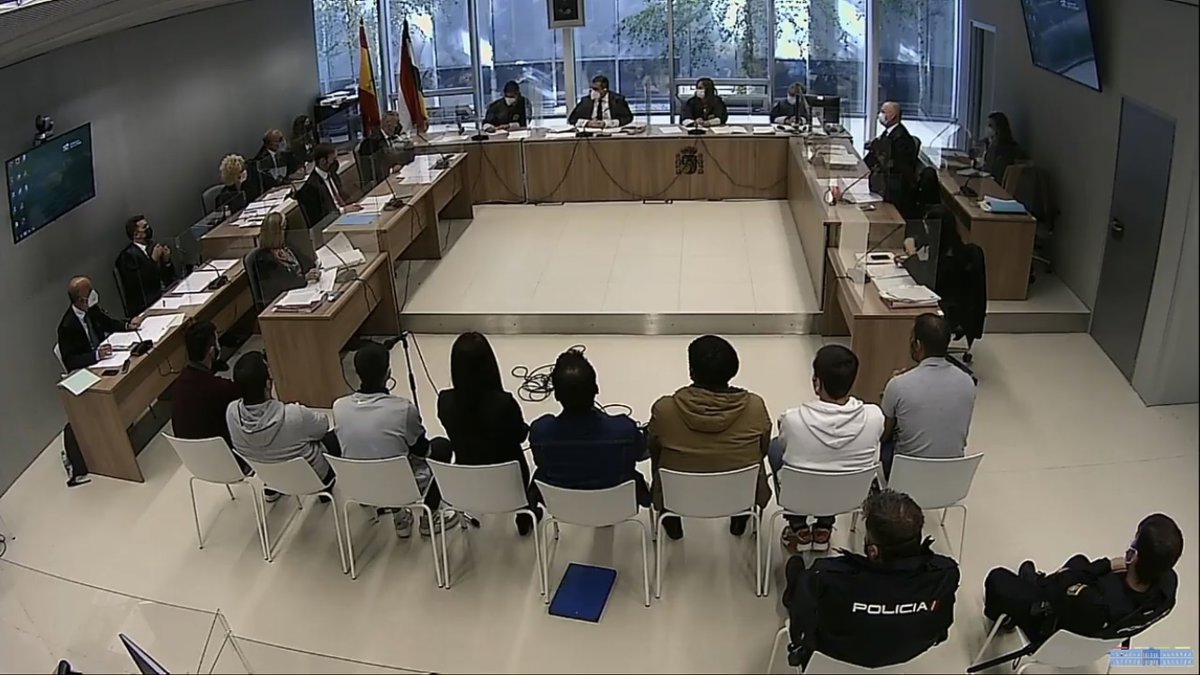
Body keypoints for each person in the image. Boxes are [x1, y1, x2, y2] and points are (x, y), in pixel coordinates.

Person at [783, 489, 959, 669]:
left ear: (873, 551)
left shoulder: (827, 576)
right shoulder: (945, 573)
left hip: (832, 656)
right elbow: (942, 625)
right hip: (908, 653)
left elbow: (800, 626)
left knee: (797, 569)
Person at [983, 514, 1181, 649]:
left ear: (1133, 556)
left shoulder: (1094, 601)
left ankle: (1007, 618)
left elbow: (1061, 586)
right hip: (1103, 635)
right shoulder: (1168, 589)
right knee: (1079, 561)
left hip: (1055, 633)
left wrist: (1107, 564)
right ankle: (1035, 584)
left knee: (998, 579)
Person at [648, 335, 771, 540]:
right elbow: (763, 448)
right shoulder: (755, 407)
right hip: (739, 493)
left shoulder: (665, 409)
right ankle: (740, 518)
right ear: (734, 369)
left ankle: (671, 521)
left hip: (678, 495)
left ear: (691, 371)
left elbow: (653, 448)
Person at [333, 343, 457, 537]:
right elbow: (423, 451)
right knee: (441, 446)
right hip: (401, 487)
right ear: (388, 373)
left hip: (359, 487)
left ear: (357, 373)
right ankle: (429, 517)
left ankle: (400, 518)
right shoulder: (402, 409)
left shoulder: (339, 407)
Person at [768, 345, 883, 553]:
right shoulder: (875, 416)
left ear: (817, 383)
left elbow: (786, 448)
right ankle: (824, 527)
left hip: (800, 496)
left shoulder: (793, 419)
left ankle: (798, 528)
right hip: (849, 497)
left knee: (775, 447)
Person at [434, 332, 535, 534]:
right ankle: (524, 515)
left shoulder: (445, 401)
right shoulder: (504, 403)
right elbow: (520, 435)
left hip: (468, 477)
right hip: (509, 481)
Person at [528, 349, 651, 507]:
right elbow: (642, 454)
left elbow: (540, 462)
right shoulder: (624, 429)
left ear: (556, 395)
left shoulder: (540, 432)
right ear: (596, 389)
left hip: (564, 507)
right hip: (616, 506)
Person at [880, 314, 977, 478]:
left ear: (917, 345)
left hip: (907, 476)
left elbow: (884, 434)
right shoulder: (967, 381)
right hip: (952, 476)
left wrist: (887, 395)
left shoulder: (898, 384)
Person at [226, 351, 341, 484]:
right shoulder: (294, 415)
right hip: (314, 480)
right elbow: (323, 425)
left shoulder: (231, 413)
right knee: (338, 432)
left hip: (274, 480)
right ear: (268, 384)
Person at [170, 321, 241, 451]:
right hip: (223, 455)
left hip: (192, 457)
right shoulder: (220, 388)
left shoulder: (177, 386)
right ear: (212, 351)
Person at [57, 276, 142, 371]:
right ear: (82, 300)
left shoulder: (92, 309)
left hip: (108, 358)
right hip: (90, 367)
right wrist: (96, 355)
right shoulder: (66, 327)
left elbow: (108, 323)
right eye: (89, 291)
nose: (93, 293)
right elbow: (70, 361)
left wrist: (127, 325)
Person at [250, 212, 319, 305]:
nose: (286, 231)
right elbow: (282, 284)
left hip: (303, 290)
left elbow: (308, 263)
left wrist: (313, 271)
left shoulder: (286, 247)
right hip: (284, 299)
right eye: (283, 228)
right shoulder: (263, 259)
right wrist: (304, 278)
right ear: (275, 233)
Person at [864, 101, 920, 215]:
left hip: (894, 189)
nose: (880, 115)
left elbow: (895, 166)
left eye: (883, 112)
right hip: (883, 183)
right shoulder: (888, 132)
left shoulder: (902, 138)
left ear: (893, 116)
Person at [114, 215, 177, 315]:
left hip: (166, 295)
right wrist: (153, 261)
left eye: (148, 225)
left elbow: (168, 277)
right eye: (144, 227)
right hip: (145, 305)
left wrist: (166, 261)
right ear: (136, 235)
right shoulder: (127, 256)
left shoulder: (153, 246)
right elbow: (141, 284)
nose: (148, 229)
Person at [295, 143, 355, 227]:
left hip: (345, 217)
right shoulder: (311, 187)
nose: (336, 162)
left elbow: (343, 197)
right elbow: (320, 218)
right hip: (330, 225)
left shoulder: (333, 175)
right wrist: (343, 210)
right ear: (323, 161)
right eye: (333, 159)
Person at [357, 111, 414, 184]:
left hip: (392, 177)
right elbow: (372, 170)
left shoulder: (390, 137)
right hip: (380, 182)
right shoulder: (372, 143)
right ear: (388, 124)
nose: (398, 127)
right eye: (396, 124)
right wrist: (391, 170)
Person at [567, 75, 634, 129]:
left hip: (612, 132)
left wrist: (607, 123)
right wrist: (587, 123)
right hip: (591, 133)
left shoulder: (618, 100)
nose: (592, 92)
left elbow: (628, 118)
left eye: (596, 89)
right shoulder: (586, 101)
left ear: (605, 90)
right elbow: (572, 119)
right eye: (592, 88)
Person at [981, 111, 1023, 181]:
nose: (987, 128)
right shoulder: (988, 144)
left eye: (990, 125)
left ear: (999, 128)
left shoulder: (1009, 150)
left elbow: (994, 171)